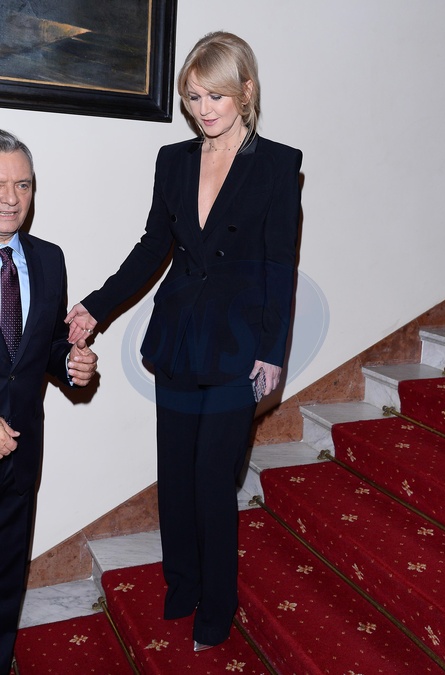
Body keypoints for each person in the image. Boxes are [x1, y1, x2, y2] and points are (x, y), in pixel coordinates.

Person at [66, 31, 302, 651]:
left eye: (215, 96)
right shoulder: (173, 160)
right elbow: (153, 248)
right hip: (176, 339)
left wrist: (272, 350)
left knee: (212, 482)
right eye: (193, 97)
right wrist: (96, 305)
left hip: (237, 347)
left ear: (245, 91)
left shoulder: (277, 165)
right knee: (174, 475)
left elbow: (279, 266)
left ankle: (216, 607)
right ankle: (182, 584)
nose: (203, 109)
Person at [0, 129, 98, 675]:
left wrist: (71, 364)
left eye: (23, 184)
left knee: (7, 577)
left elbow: (45, 346)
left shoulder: (49, 259)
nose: (11, 198)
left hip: (21, 452)